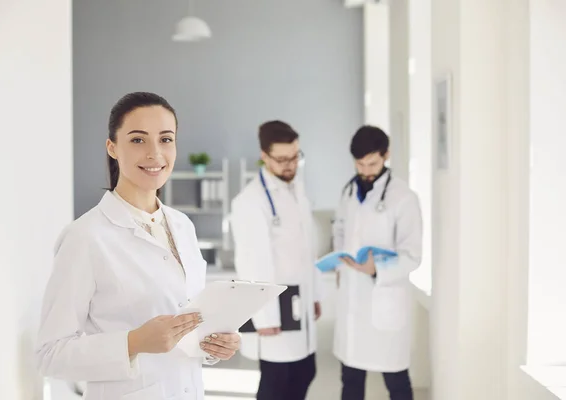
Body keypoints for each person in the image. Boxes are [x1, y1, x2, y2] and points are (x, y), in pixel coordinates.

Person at [34, 92, 240, 400]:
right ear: (112, 147)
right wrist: (133, 342)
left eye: (166, 139)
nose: (155, 154)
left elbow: (188, 318)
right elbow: (49, 354)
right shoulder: (85, 236)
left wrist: (213, 344)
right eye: (138, 140)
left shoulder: (183, 226)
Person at [229, 121, 322, 400]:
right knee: (277, 383)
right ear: (264, 156)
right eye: (282, 159)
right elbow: (254, 262)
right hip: (275, 309)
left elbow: (309, 250)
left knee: (305, 372)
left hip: (299, 302)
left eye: (295, 157)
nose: (290, 165)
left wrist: (314, 294)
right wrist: (264, 316)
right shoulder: (250, 201)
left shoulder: (296, 190)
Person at [333, 125, 423, 400]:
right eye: (359, 164)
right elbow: (339, 228)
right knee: (350, 378)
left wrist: (378, 269)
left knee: (395, 380)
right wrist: (339, 259)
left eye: (372, 163)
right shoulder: (349, 191)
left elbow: (413, 256)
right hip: (352, 300)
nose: (365, 170)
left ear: (387, 154)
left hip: (384, 300)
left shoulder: (404, 198)